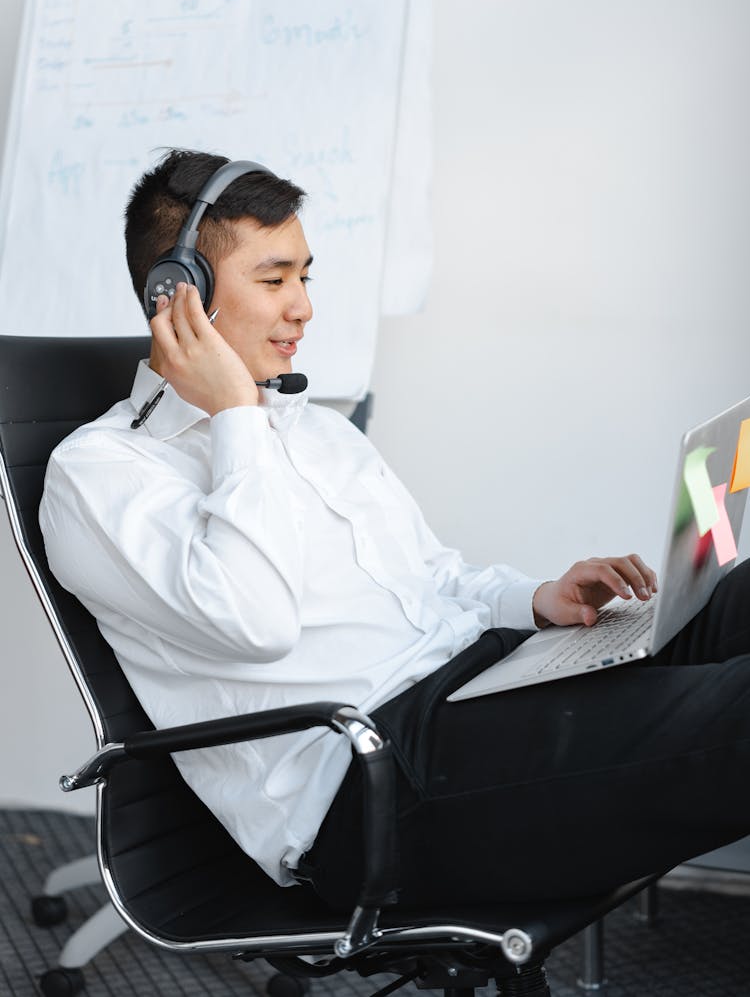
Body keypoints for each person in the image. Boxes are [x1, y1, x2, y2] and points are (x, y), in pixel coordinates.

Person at [40, 149, 750, 910]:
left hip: (486, 686)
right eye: (275, 279)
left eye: (305, 276)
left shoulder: (318, 433)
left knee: (730, 599)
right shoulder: (100, 474)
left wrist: (539, 601)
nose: (304, 307)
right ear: (179, 295)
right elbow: (258, 623)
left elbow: (432, 581)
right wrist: (235, 422)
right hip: (378, 787)